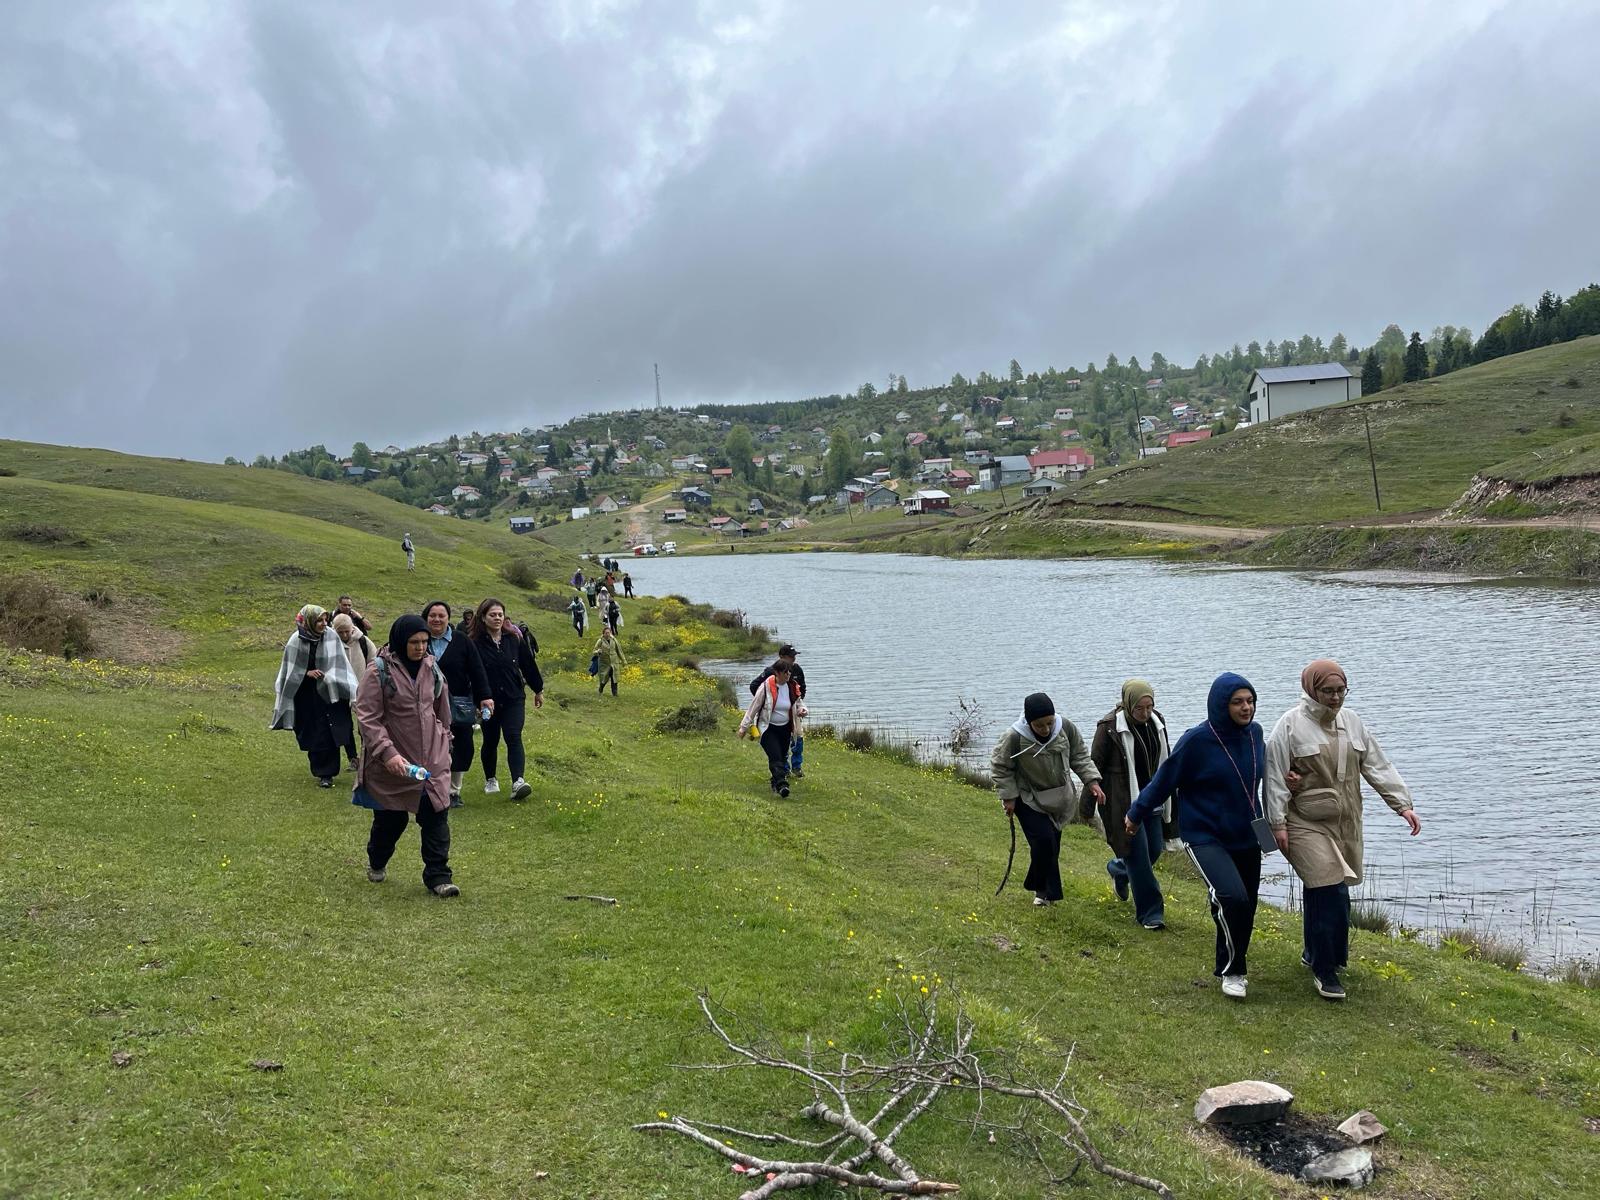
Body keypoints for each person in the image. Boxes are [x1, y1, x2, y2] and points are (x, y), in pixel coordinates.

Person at [1265, 659, 1420, 1002]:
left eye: (1341, 690)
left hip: (1345, 820)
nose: (1335, 698)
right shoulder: (1289, 726)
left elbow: (1377, 765)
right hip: (1303, 820)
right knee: (1328, 884)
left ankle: (1316, 953)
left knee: (1330, 890)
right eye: (1328, 691)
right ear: (1311, 689)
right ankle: (1326, 971)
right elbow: (1274, 777)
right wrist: (1277, 824)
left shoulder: (1352, 723)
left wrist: (1402, 805)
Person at [1126, 673, 1265, 1000]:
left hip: (1247, 833)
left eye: (1250, 701)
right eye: (1237, 702)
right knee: (1232, 897)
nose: (1246, 708)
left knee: (1246, 905)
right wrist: (1136, 813)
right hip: (1204, 834)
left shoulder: (1256, 734)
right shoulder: (1197, 741)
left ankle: (1231, 953)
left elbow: (1258, 782)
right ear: (1221, 704)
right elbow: (1164, 780)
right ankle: (1233, 970)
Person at [352, 615, 458, 897]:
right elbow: (368, 718)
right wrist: (388, 754)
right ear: (401, 642)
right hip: (394, 763)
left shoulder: (432, 668)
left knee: (436, 816)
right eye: (414, 642)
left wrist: (446, 742)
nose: (421, 648)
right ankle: (377, 859)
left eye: (424, 642)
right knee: (391, 822)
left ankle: (439, 876)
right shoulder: (378, 671)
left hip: (432, 760)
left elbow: (441, 711)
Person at [990, 693, 1105, 908]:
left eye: (1049, 723)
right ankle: (1047, 893)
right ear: (1028, 722)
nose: (1046, 729)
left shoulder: (1066, 728)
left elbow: (1079, 755)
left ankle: (1040, 891)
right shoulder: (1014, 737)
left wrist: (1092, 782)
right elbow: (1000, 767)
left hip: (1059, 797)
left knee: (1052, 845)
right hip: (1028, 798)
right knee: (1044, 841)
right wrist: (1009, 797)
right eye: (1039, 725)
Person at [1089, 679, 1174, 930]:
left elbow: (1166, 759)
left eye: (1150, 707)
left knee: (1153, 850)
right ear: (1128, 704)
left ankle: (1118, 869)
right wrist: (1087, 805)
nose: (1146, 713)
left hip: (1152, 799)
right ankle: (1151, 913)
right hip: (1124, 802)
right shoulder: (1109, 728)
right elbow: (1094, 766)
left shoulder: (1157, 722)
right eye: (1140, 708)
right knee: (1138, 858)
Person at [270, 604, 359, 788]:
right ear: (309, 621)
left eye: (325, 619)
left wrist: (331, 677)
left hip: (331, 693)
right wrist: (306, 673)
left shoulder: (331, 636)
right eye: (319, 620)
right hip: (307, 696)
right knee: (316, 733)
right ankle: (322, 772)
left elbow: (340, 663)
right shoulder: (295, 641)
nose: (323, 624)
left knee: (333, 730)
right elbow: (289, 671)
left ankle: (329, 773)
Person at [467, 597, 544, 801]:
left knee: (513, 736)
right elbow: (470, 673)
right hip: (487, 700)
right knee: (491, 740)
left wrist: (538, 689)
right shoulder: (474, 643)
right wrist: (475, 700)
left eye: (500, 614)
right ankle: (490, 779)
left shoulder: (513, 639)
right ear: (483, 618)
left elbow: (528, 665)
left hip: (513, 697)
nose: (497, 618)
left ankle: (518, 781)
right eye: (492, 615)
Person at [422, 600, 492, 808]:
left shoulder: (462, 640)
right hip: (426, 704)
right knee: (431, 745)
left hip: (458, 704)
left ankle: (454, 791)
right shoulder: (419, 639)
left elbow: (477, 670)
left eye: (441, 615)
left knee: (461, 745)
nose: (437, 619)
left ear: (448, 618)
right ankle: (432, 788)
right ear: (426, 618)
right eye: (432, 615)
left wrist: (484, 696)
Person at [737, 660, 805, 797]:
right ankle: (782, 785)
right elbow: (754, 707)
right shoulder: (766, 687)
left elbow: (799, 703)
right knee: (775, 756)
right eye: (785, 672)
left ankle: (775, 782)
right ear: (777, 673)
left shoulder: (792, 686)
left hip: (785, 729)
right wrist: (743, 727)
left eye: (789, 672)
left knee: (781, 756)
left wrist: (802, 710)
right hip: (768, 728)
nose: (788, 674)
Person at [749, 646, 808, 778]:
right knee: (781, 743)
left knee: (798, 737)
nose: (794, 659)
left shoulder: (797, 669)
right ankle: (783, 768)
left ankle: (797, 767)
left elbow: (802, 688)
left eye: (794, 656)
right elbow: (754, 686)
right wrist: (765, 703)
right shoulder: (771, 671)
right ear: (782, 657)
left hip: (792, 711)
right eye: (791, 656)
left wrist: (798, 705)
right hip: (773, 715)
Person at [593, 624, 627, 696]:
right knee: (604, 678)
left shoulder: (614, 640)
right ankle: (601, 688)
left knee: (614, 677)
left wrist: (624, 661)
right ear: (603, 634)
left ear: (610, 633)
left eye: (609, 633)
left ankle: (615, 693)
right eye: (606, 633)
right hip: (604, 663)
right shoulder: (600, 641)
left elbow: (619, 651)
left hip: (614, 662)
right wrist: (598, 651)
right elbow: (594, 651)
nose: (607, 634)